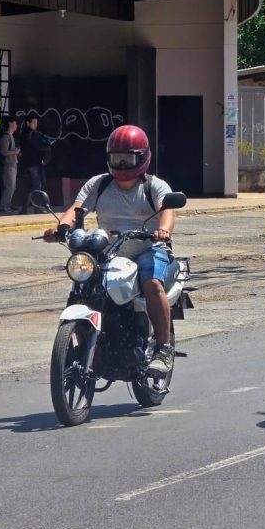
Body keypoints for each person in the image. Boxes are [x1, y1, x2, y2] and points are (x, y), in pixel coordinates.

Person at [43, 125, 178, 376]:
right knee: (85, 284)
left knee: (151, 284)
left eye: (129, 158)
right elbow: (77, 209)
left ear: (143, 158)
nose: (123, 164)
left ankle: (163, 348)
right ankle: (88, 343)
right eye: (118, 158)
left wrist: (163, 231)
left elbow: (167, 212)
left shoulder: (154, 186)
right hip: (108, 250)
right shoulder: (99, 184)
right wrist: (62, 227)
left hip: (147, 248)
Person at [18, 115, 51, 215]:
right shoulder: (33, 134)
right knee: (37, 186)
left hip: (25, 164)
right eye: (33, 122)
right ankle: (38, 208)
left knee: (28, 187)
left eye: (36, 123)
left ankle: (24, 209)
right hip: (34, 164)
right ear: (28, 123)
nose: (36, 124)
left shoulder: (23, 134)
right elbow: (40, 146)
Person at [0, 118, 21, 213]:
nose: (16, 125)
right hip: (8, 164)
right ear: (10, 123)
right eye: (15, 123)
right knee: (9, 186)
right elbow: (4, 152)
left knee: (13, 186)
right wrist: (15, 151)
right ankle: (4, 206)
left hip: (13, 163)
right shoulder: (6, 137)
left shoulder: (11, 136)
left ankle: (8, 204)